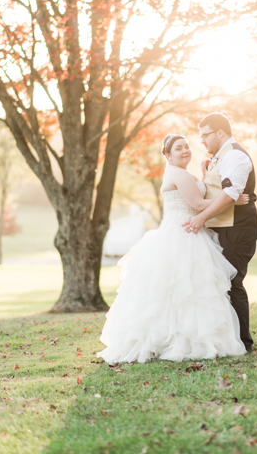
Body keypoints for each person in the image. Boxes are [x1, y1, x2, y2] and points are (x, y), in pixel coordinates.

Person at [97, 134, 247, 363]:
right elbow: (197, 204)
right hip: (184, 234)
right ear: (167, 155)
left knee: (177, 291)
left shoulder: (179, 173)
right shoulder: (179, 174)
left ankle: (178, 339)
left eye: (187, 146)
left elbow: (197, 197)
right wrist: (232, 198)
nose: (185, 150)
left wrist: (205, 176)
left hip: (184, 230)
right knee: (187, 289)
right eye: (179, 148)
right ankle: (184, 341)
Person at [182, 112, 257, 353]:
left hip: (237, 230)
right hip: (220, 229)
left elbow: (230, 194)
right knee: (216, 284)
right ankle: (225, 340)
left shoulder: (235, 155)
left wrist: (201, 217)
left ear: (220, 133)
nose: (202, 141)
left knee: (232, 282)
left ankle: (243, 343)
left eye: (205, 135)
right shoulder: (217, 158)